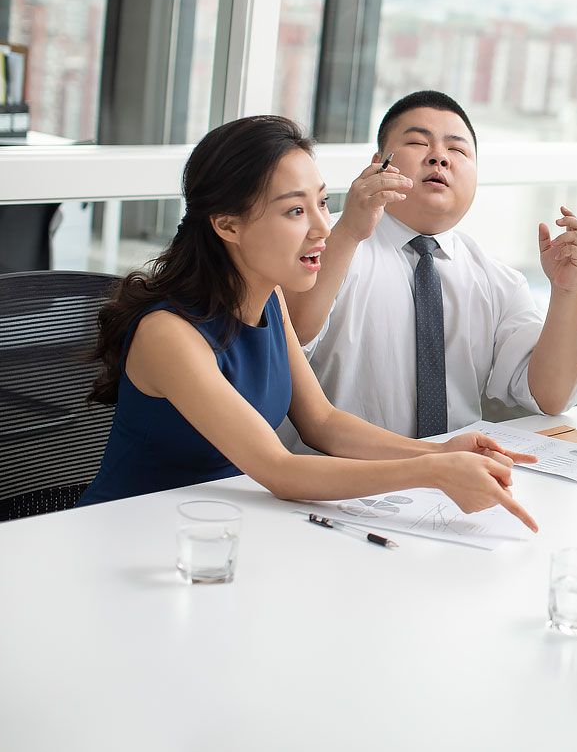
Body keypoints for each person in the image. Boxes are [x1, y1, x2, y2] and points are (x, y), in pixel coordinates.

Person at [79, 115, 538, 534]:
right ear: (227, 225)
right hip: (130, 536)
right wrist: (432, 472)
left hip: (219, 527)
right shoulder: (168, 334)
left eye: (322, 202)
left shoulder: (271, 300)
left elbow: (323, 423)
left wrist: (442, 452)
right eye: (295, 211)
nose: (322, 227)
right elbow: (280, 469)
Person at [283, 90, 577, 441]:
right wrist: (350, 230)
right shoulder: (325, 241)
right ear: (379, 162)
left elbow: (551, 397)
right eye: (417, 142)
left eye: (457, 150)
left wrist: (566, 291)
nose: (439, 157)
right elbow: (294, 333)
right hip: (332, 478)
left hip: (452, 482)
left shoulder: (497, 280)